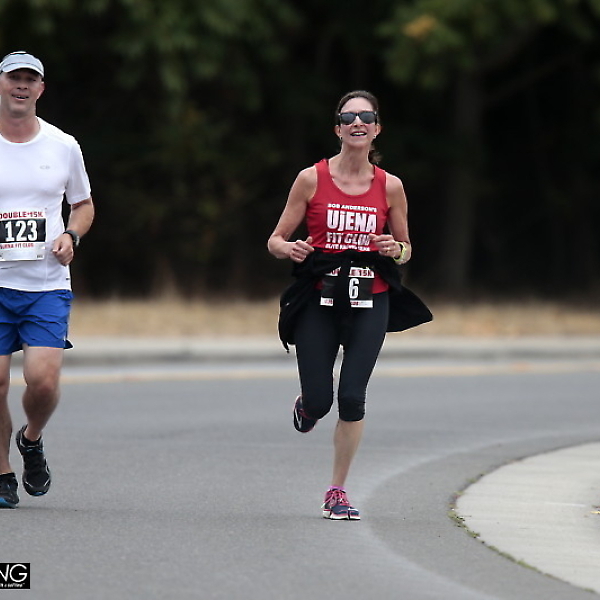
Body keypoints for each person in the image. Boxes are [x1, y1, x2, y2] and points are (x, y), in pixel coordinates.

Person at [268, 90, 431, 520]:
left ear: (377, 128)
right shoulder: (311, 179)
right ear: (337, 129)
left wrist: (394, 248)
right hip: (318, 298)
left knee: (353, 397)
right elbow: (275, 240)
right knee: (321, 401)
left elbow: (406, 249)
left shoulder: (390, 186)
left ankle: (336, 491)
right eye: (348, 117)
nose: (357, 123)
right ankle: (307, 405)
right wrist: (291, 249)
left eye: (366, 117)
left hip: (370, 297)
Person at [0, 51, 95, 508]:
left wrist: (71, 235)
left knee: (42, 382)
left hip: (45, 284)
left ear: (40, 89)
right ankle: (2, 472)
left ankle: (31, 438)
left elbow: (83, 204)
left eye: (29, 79)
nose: (21, 85)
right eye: (13, 77)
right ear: (1, 84)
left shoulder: (63, 145)